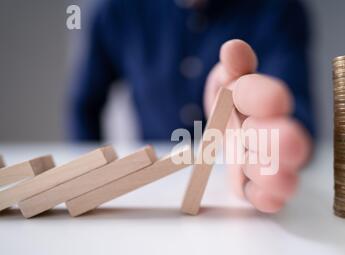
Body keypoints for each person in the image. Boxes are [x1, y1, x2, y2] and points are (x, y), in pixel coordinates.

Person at [69, 0, 315, 213]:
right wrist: (89, 181)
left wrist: (277, 145)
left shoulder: (279, 8)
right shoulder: (115, 10)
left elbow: (293, 111)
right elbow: (84, 107)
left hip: (235, 190)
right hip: (153, 186)